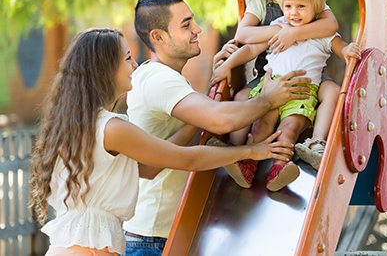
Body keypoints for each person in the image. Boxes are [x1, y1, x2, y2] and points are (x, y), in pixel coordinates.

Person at [28, 27, 299, 256]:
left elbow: (149, 168)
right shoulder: (113, 128)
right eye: (127, 58)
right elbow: (187, 159)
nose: (135, 65)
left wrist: (197, 119)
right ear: (106, 69)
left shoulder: (79, 124)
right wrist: (249, 150)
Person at [122, 0, 311, 256]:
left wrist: (215, 87)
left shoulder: (163, 78)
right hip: (153, 239)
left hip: (163, 233)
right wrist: (268, 99)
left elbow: (196, 124)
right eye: (186, 25)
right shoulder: (158, 79)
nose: (197, 29)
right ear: (158, 37)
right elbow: (221, 121)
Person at [210, 0, 361, 191]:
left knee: (288, 129)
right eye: (288, 6)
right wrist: (227, 65)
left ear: (317, 8)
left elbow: (341, 47)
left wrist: (348, 50)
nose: (294, 12)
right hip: (270, 89)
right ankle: (247, 166)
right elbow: (252, 48)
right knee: (260, 126)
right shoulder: (279, 26)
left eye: (301, 6)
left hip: (301, 92)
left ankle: (279, 170)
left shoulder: (322, 33)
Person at [215, 0, 342, 163]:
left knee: (331, 90)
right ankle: (233, 149)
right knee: (243, 96)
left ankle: (317, 143)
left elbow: (330, 25)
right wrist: (281, 30)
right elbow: (243, 35)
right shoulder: (261, 1)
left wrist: (294, 33)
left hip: (307, 73)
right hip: (270, 73)